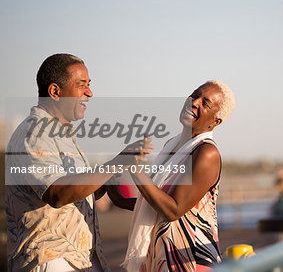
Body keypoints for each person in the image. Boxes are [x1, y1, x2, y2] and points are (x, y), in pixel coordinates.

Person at [5, 54, 152, 272]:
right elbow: (56, 193)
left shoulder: (61, 133)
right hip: (51, 260)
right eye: (81, 85)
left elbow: (75, 192)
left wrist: (105, 180)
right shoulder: (35, 132)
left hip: (76, 259)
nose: (89, 93)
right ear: (55, 92)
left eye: (89, 85)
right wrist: (116, 163)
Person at [123, 80, 235, 272]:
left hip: (188, 260)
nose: (194, 102)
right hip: (159, 259)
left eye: (205, 103)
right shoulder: (172, 145)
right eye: (194, 94)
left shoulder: (206, 152)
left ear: (216, 121)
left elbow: (173, 209)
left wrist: (135, 170)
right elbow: (152, 202)